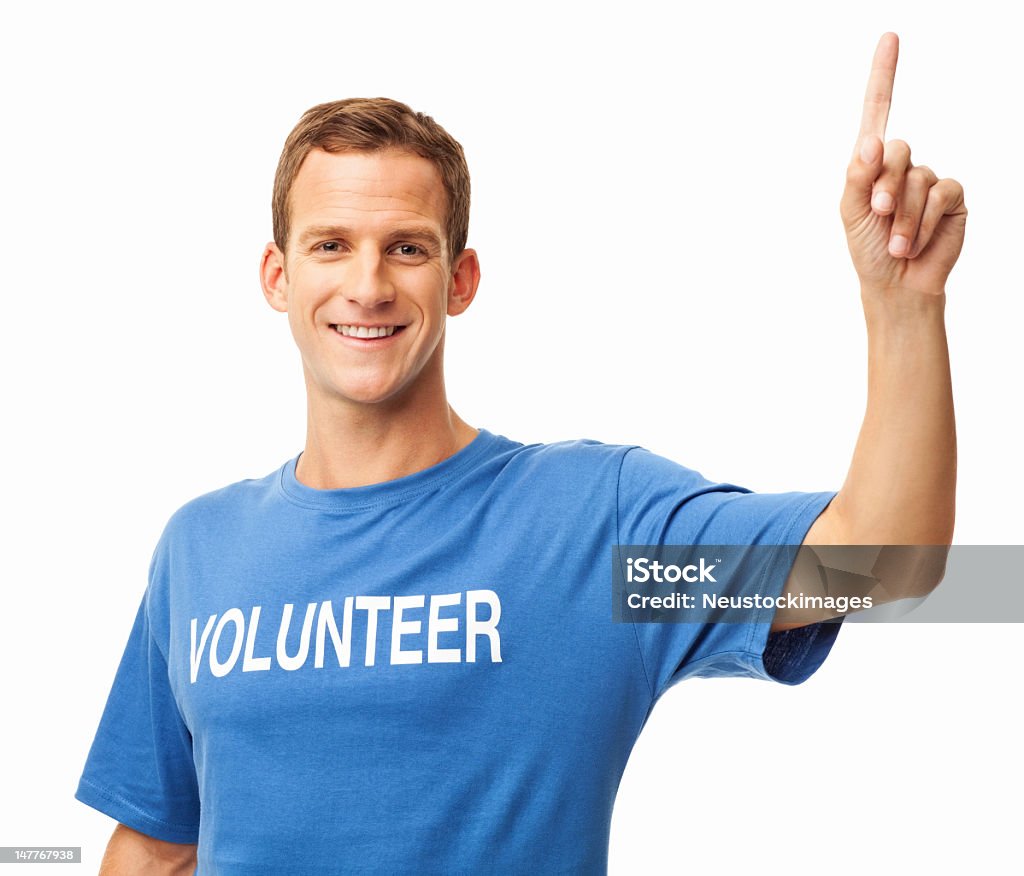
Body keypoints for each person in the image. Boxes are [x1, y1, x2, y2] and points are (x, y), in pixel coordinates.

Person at [74, 31, 963, 875]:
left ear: (459, 280)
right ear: (279, 276)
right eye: (332, 245)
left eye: (408, 248)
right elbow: (155, 850)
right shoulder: (200, 549)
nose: (368, 283)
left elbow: (881, 561)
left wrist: (903, 306)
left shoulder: (589, 534)